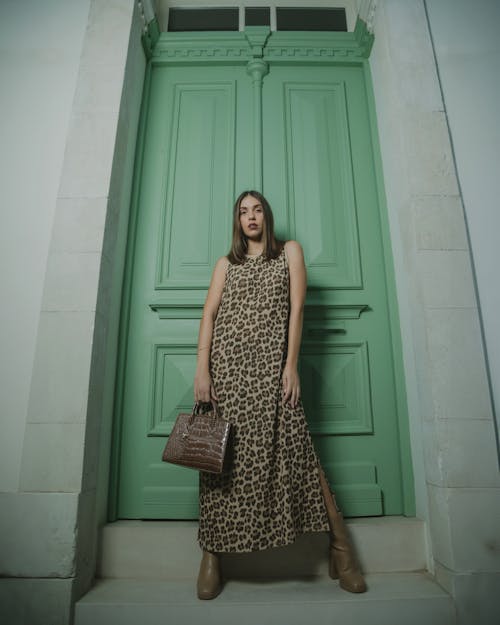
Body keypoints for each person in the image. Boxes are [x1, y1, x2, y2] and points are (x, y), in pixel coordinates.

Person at [193, 190, 366, 599]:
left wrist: (290, 366)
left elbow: (297, 310)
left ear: (266, 216)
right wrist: (202, 369)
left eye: (256, 210)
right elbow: (209, 314)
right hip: (227, 372)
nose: (250, 217)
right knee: (218, 462)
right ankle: (212, 556)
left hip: (271, 371)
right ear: (237, 221)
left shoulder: (289, 252)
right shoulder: (226, 264)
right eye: (242, 212)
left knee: (298, 453)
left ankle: (342, 549)